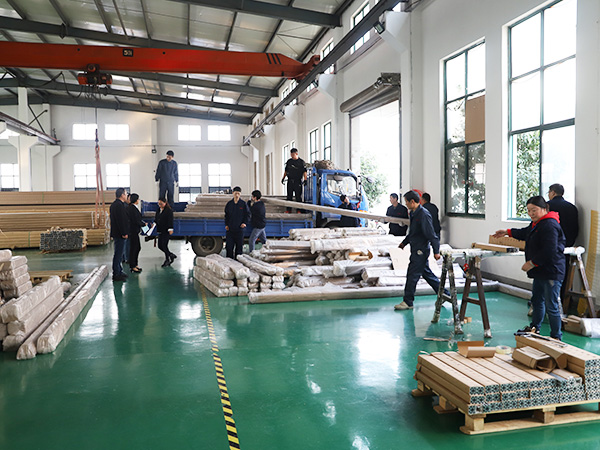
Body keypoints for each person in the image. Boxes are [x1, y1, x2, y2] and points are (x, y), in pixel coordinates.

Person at [493, 196, 565, 340]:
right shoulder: (537, 224)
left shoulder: (549, 225)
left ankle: (556, 337)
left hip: (551, 271)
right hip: (540, 271)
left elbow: (549, 251)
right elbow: (525, 232)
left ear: (544, 209)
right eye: (529, 210)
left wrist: (532, 263)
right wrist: (507, 232)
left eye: (534, 210)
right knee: (537, 301)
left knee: (551, 306)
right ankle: (534, 328)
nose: (531, 213)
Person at [394, 190, 442, 311]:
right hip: (416, 248)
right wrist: (404, 242)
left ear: (412, 202)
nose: (405, 204)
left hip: (420, 250)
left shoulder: (423, 214)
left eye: (406, 202)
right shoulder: (414, 213)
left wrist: (436, 251)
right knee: (428, 275)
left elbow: (431, 234)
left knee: (412, 275)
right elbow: (413, 232)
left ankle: (408, 301)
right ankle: (445, 295)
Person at [110, 188, 129, 282]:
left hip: (117, 232)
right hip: (119, 233)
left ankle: (119, 270)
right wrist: (124, 233)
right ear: (122, 195)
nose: (126, 195)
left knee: (120, 254)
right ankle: (116, 274)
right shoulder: (119, 206)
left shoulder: (115, 204)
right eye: (126, 194)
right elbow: (121, 221)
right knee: (118, 254)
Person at [225, 186, 250, 259]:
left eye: (238, 194)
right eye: (235, 193)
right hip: (230, 229)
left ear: (240, 194)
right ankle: (229, 261)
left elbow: (248, 214)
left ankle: (238, 262)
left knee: (239, 248)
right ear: (233, 193)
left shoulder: (243, 204)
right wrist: (226, 224)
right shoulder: (229, 204)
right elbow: (226, 215)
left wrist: (244, 223)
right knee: (229, 247)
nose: (237, 195)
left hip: (239, 229)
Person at [282, 148, 307, 213]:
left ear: (296, 154)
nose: (292, 156)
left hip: (297, 181)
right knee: (289, 196)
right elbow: (286, 171)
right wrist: (283, 178)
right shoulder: (289, 162)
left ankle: (299, 210)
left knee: (298, 196)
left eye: (293, 155)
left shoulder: (301, 162)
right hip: (290, 181)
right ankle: (288, 210)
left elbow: (304, 172)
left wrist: (305, 179)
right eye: (291, 155)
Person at [127, 193, 146, 273]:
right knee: (134, 248)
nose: (139, 200)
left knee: (136, 248)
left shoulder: (133, 208)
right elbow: (136, 220)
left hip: (134, 231)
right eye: (138, 199)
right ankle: (133, 266)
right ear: (136, 200)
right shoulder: (132, 208)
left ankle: (135, 264)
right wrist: (144, 224)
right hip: (133, 231)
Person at [156, 197, 177, 267]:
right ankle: (171, 255)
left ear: (165, 203)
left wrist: (170, 229)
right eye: (159, 204)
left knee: (164, 245)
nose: (160, 205)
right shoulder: (158, 210)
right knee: (160, 246)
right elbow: (156, 218)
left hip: (166, 230)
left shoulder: (169, 211)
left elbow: (170, 220)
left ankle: (167, 260)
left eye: (161, 204)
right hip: (160, 230)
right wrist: (154, 223)